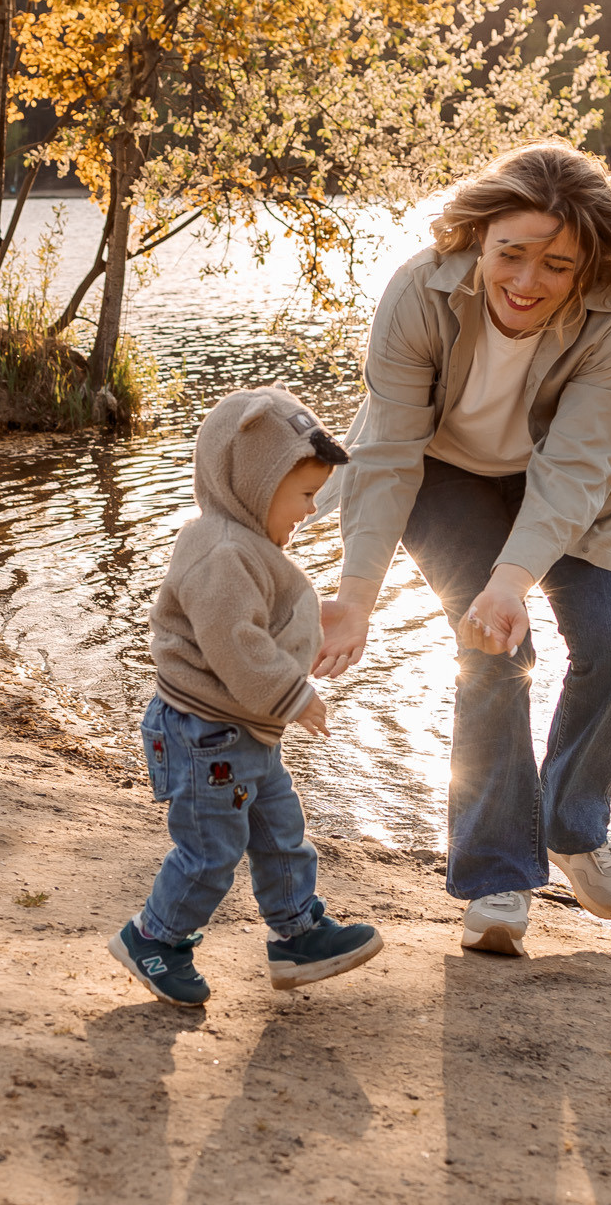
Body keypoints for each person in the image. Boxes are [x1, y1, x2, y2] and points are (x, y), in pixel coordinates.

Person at [311, 143, 611, 957]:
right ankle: (496, 877)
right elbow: (388, 454)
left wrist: (516, 576)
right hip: (444, 477)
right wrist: (357, 594)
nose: (527, 281)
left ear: (586, 265)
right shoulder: (419, 288)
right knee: (492, 650)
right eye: (511, 254)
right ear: (480, 239)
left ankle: (573, 826)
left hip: (568, 486)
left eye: (557, 264)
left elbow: (582, 461)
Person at [110, 385, 385, 1008]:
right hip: (207, 734)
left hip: (242, 733)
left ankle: (298, 934)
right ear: (254, 484)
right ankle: (154, 938)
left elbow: (267, 621)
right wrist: (292, 692)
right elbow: (235, 644)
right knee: (211, 851)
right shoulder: (220, 549)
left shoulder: (246, 544)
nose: (311, 510)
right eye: (305, 494)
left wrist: (306, 640)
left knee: (282, 831)